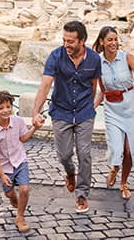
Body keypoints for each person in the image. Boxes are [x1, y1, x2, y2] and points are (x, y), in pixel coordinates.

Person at [32, 20, 101, 213]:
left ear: (82, 41)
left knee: (85, 153)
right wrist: (35, 112)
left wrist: (90, 107)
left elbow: (93, 86)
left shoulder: (94, 59)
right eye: (64, 40)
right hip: (61, 111)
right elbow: (45, 86)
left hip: (84, 112)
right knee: (64, 155)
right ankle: (70, 172)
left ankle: (82, 194)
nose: (66, 44)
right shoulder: (56, 56)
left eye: (70, 41)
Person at [92, 26, 134, 200]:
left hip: (132, 107)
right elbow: (100, 91)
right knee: (116, 147)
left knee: (129, 151)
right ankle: (114, 168)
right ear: (102, 42)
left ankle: (124, 182)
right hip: (112, 109)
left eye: (115, 39)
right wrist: (91, 109)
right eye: (110, 40)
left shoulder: (127, 57)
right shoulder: (96, 62)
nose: (114, 43)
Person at [0, 90, 45, 234]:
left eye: (8, 106)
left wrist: (35, 127)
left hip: (20, 161)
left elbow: (23, 139)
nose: (6, 110)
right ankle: (13, 199)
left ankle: (20, 217)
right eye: (1, 108)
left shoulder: (18, 121)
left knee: (24, 189)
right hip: (4, 167)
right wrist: (2, 175)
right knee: (10, 194)